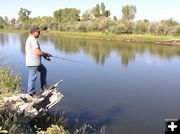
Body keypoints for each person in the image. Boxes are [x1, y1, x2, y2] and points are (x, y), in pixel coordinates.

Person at [25, 27, 51, 96]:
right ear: (34, 32)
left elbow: (37, 52)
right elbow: (37, 52)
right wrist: (46, 54)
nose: (39, 33)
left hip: (36, 62)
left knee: (43, 70)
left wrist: (45, 56)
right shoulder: (32, 40)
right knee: (32, 77)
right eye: (38, 32)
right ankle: (31, 93)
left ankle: (44, 86)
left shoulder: (30, 39)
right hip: (33, 63)